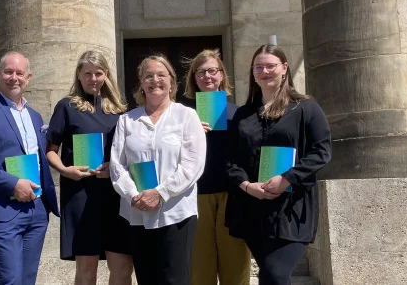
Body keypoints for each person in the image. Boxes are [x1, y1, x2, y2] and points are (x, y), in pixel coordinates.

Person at [225, 44, 332, 285]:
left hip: (292, 206)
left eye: (270, 66)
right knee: (269, 274)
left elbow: (322, 151)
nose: (264, 71)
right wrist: (246, 185)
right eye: (258, 67)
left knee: (275, 273)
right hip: (253, 206)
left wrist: (287, 178)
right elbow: (231, 159)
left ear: (284, 68)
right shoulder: (243, 114)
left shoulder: (305, 107)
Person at [0, 52, 60, 285]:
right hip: (1, 210)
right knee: (11, 280)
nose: (13, 78)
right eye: (8, 72)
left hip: (36, 210)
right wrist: (13, 184)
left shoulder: (35, 117)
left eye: (19, 73)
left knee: (27, 281)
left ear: (28, 77)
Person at [110, 54, 206, 285]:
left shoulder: (186, 116)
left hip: (176, 212)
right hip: (137, 211)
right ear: (141, 83)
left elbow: (193, 164)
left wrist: (161, 192)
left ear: (172, 82)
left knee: (175, 280)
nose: (155, 80)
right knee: (146, 278)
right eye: (148, 76)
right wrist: (134, 195)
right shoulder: (127, 120)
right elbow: (116, 165)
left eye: (161, 75)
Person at [45, 51, 133, 285]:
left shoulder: (120, 111)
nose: (93, 78)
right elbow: (50, 151)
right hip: (80, 194)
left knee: (123, 268)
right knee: (86, 269)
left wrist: (114, 169)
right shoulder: (66, 107)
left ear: (106, 75)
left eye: (98, 73)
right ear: (79, 75)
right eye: (88, 73)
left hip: (115, 194)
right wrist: (65, 171)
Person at [181, 49, 252, 285]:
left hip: (233, 193)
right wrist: (190, 132)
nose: (207, 76)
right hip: (196, 193)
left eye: (212, 70)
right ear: (194, 78)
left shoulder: (239, 112)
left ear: (222, 75)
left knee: (235, 265)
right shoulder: (184, 115)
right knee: (200, 268)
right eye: (200, 72)